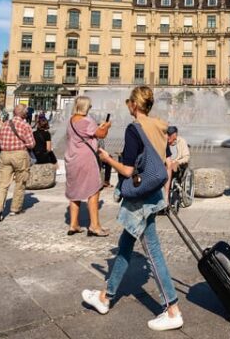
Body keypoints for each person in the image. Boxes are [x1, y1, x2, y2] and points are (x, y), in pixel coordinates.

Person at [82, 86, 184, 332]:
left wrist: (107, 159)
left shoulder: (134, 129)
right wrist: (166, 196)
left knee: (153, 251)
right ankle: (105, 297)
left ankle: (172, 309)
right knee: (126, 244)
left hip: (140, 198)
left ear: (135, 105)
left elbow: (128, 171)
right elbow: (167, 163)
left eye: (129, 102)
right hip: (153, 193)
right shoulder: (160, 127)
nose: (128, 106)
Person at [65, 96, 111, 237]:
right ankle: (94, 226)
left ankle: (73, 224)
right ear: (86, 107)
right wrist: (106, 126)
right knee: (94, 190)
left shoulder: (71, 120)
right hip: (86, 160)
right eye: (90, 106)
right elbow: (101, 135)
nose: (90, 108)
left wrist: (99, 127)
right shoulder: (87, 121)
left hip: (72, 159)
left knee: (74, 192)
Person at [0, 103, 35, 222]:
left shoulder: (5, 124)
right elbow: (31, 144)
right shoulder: (25, 126)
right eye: (26, 112)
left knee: (3, 184)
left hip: (5, 155)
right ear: (24, 114)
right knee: (20, 182)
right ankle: (15, 209)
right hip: (20, 155)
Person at [165, 125, 191, 202]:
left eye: (170, 135)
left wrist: (177, 162)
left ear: (175, 135)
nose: (168, 137)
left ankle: (172, 196)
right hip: (166, 164)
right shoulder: (164, 141)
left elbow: (186, 157)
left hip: (178, 165)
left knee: (172, 168)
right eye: (167, 135)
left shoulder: (181, 141)